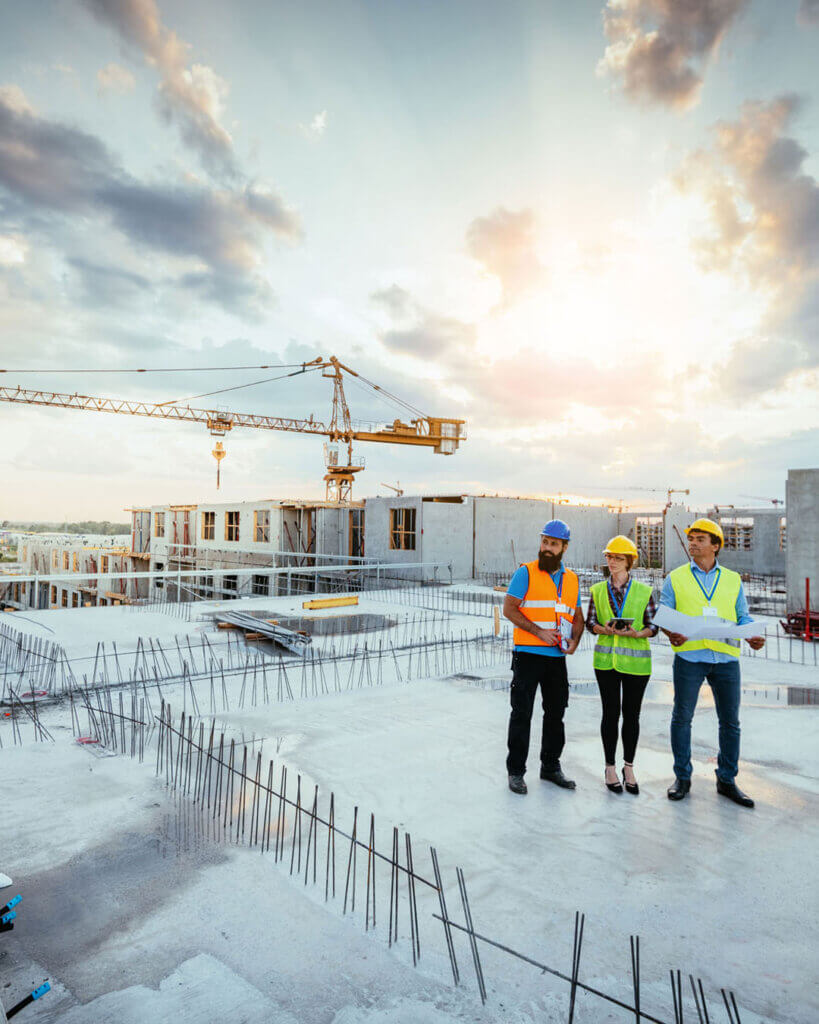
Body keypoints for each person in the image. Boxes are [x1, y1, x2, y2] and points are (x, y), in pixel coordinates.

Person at [659, 518, 765, 807]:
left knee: (730, 722)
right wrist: (672, 633)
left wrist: (753, 635)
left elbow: (742, 616)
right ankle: (682, 777)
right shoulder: (676, 577)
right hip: (689, 657)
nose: (692, 543)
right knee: (682, 718)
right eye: (691, 538)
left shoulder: (732, 579)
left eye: (700, 539)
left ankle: (727, 779)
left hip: (726, 659)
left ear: (715, 545)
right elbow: (664, 614)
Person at [503, 520, 585, 795]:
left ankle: (550, 767)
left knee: (556, 713)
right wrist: (539, 632)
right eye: (545, 542)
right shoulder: (525, 573)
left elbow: (577, 616)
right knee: (521, 714)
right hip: (527, 655)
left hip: (556, 658)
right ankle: (516, 772)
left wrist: (575, 640)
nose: (547, 548)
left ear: (564, 547)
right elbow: (510, 610)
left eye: (553, 544)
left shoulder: (572, 579)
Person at [587, 536, 658, 795]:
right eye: (609, 557)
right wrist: (601, 628)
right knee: (610, 714)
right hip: (606, 663)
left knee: (632, 716)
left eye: (618, 558)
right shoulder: (597, 590)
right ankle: (609, 768)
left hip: (637, 666)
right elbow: (590, 622)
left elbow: (653, 626)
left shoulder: (643, 591)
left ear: (629, 561)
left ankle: (629, 767)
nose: (612, 562)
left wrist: (638, 634)